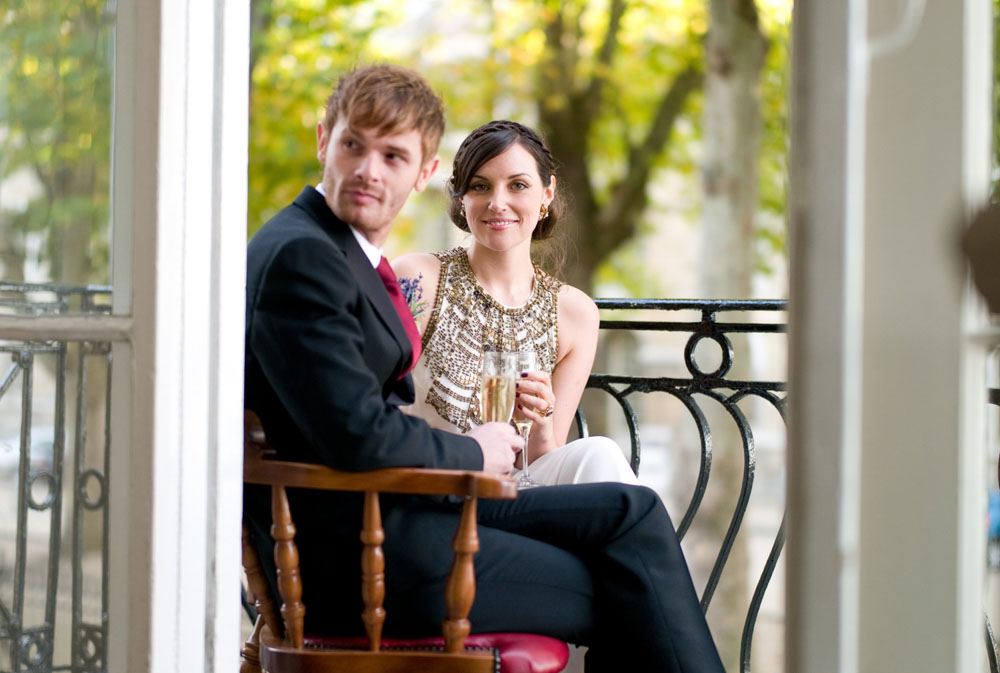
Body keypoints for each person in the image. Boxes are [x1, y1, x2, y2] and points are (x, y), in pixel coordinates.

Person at [243, 63, 725, 672]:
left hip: (401, 515)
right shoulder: (308, 258)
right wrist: (474, 451)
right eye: (353, 146)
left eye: (392, 156)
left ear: (420, 173)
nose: (369, 170)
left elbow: (357, 417)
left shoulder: (323, 248)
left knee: (634, 517)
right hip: (374, 554)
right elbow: (359, 433)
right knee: (633, 573)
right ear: (323, 142)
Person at [392, 120, 638, 485]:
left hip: (519, 497)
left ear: (547, 194)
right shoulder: (418, 279)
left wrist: (539, 424)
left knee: (599, 453)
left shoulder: (575, 313)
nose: (497, 203)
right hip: (434, 489)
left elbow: (542, 462)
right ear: (462, 198)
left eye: (518, 185)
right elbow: (372, 407)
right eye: (480, 186)